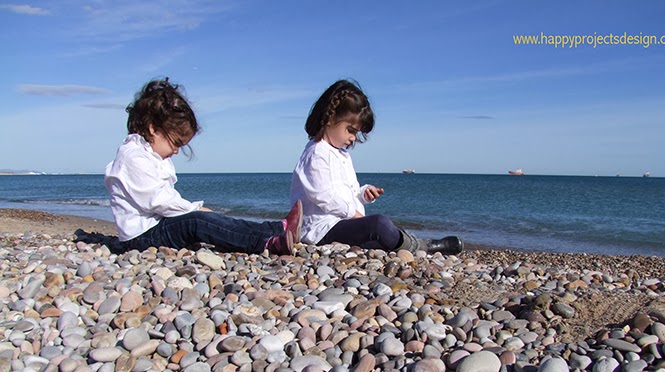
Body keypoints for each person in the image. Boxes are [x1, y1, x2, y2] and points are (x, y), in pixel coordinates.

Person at [105, 78, 302, 255]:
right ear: (153, 128)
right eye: (175, 143)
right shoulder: (133, 157)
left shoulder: (147, 155)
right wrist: (195, 209)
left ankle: (276, 228)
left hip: (154, 228)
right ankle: (266, 241)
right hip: (140, 239)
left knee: (202, 220)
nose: (176, 151)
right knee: (197, 222)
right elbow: (158, 201)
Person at [290, 79, 463, 255]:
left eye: (356, 133)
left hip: (339, 223)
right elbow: (322, 196)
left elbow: (346, 192)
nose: (353, 138)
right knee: (378, 224)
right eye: (350, 130)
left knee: (385, 230)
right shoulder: (317, 153)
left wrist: (363, 194)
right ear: (329, 118)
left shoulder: (341, 155)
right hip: (320, 229)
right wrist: (354, 213)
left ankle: (409, 243)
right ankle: (423, 247)